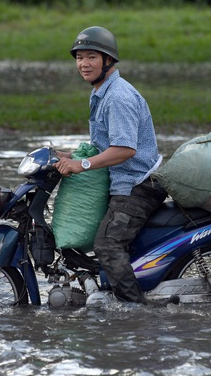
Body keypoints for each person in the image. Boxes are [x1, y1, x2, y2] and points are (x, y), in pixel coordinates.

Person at [54, 26, 167, 304]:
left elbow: (125, 149)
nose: (83, 64)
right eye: (79, 57)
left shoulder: (118, 97)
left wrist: (81, 164)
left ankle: (132, 312)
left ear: (108, 60)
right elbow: (105, 146)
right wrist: (62, 154)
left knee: (106, 244)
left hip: (137, 184)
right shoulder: (101, 92)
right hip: (125, 181)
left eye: (91, 57)